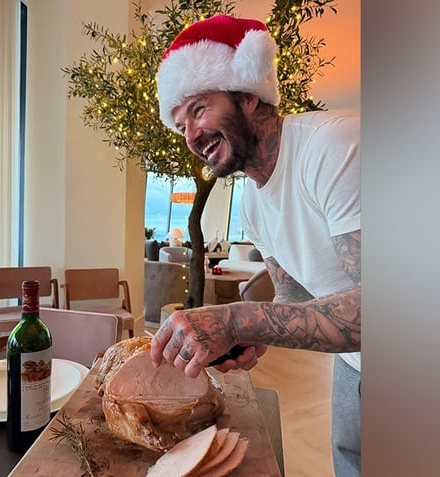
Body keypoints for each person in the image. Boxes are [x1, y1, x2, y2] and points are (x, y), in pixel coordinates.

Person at [149, 15, 361, 477]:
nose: (191, 136)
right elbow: (294, 290)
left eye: (199, 110)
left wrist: (237, 318)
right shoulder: (250, 201)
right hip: (355, 364)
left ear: (247, 94)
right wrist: (251, 336)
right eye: (181, 125)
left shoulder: (334, 147)